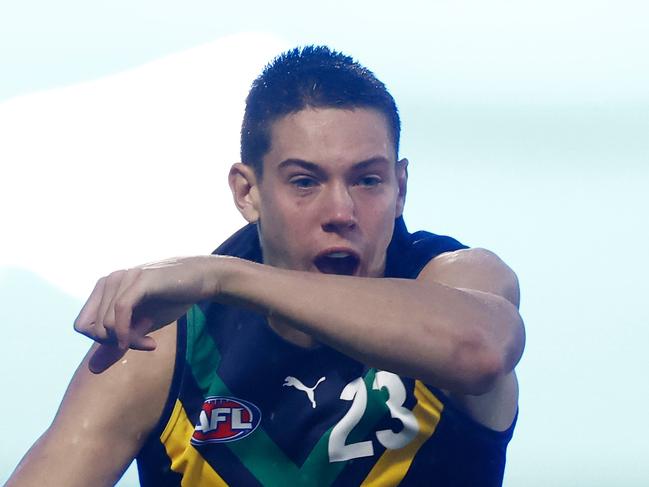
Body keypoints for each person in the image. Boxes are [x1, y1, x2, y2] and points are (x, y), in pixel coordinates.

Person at [8, 46, 525, 486]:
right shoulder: (167, 342)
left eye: (368, 180)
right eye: (305, 181)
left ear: (401, 189)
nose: (341, 212)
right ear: (247, 192)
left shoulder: (457, 280)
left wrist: (225, 275)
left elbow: (477, 353)